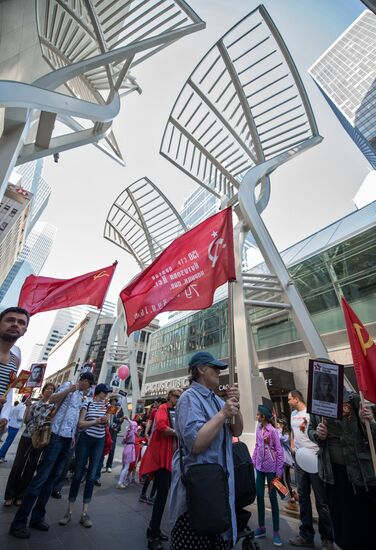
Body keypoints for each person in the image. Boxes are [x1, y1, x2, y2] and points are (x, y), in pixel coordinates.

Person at [169, 351, 243, 550]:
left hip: (219, 492)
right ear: (201, 369)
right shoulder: (188, 399)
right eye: (214, 367)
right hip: (198, 495)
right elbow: (196, 444)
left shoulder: (218, 401)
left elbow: (237, 430)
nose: (219, 372)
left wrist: (236, 405)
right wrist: (223, 414)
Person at [9, 371, 95, 539]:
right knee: (41, 477)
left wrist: (72, 437)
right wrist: (68, 390)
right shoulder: (68, 386)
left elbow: (74, 418)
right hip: (55, 436)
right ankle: (19, 522)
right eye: (88, 384)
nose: (88, 388)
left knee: (53, 479)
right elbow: (52, 399)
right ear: (83, 380)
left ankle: (37, 517)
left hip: (66, 440)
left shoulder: (81, 397)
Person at [308, 390, 376, 550]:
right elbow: (311, 429)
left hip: (360, 474)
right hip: (333, 475)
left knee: (366, 521)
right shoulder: (316, 404)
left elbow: (372, 435)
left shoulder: (354, 399)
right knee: (343, 523)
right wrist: (318, 434)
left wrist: (369, 421)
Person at [59, 383, 110, 528]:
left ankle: (84, 513)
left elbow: (107, 423)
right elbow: (80, 424)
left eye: (106, 394)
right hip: (86, 440)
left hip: (99, 441)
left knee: (92, 477)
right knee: (77, 475)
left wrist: (106, 419)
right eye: (104, 393)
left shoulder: (107, 407)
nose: (105, 396)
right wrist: (95, 421)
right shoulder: (87, 403)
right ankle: (68, 511)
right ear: (98, 393)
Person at [287, 390, 334, 549]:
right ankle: (306, 535)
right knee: (303, 497)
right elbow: (293, 432)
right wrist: (292, 446)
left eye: (289, 399)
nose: (287, 401)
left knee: (321, 501)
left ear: (296, 398)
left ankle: (327, 538)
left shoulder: (311, 413)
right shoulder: (292, 414)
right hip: (299, 460)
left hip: (315, 459)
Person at [140, 388, 183, 549]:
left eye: (180, 397)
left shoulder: (176, 411)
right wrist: (178, 433)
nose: (178, 399)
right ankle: (152, 535)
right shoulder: (163, 409)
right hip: (161, 459)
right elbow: (161, 427)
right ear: (170, 396)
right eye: (176, 396)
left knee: (163, 495)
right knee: (161, 496)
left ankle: (154, 529)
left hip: (171, 459)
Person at [4, 383, 56, 506]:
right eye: (47, 389)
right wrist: (27, 407)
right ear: (43, 391)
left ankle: (20, 495)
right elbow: (26, 421)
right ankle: (9, 495)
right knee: (18, 465)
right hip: (27, 437)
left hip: (39, 440)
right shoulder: (34, 404)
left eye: (52, 390)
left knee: (31, 467)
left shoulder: (53, 407)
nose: (49, 391)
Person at [252, 404, 284, 547]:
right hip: (259, 468)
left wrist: (279, 471)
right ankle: (261, 527)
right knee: (259, 496)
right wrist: (253, 461)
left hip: (271, 470)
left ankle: (276, 532)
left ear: (263, 417)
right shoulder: (258, 429)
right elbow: (257, 446)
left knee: (273, 499)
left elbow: (279, 450)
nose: (257, 416)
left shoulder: (273, 431)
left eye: (258, 414)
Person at [0, 307, 29, 436]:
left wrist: (3, 417)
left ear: (24, 331)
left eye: (21, 322)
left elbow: (7, 393)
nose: (15, 324)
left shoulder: (15, 360)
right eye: (10, 320)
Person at [276, 418, 298, 512]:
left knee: (283, 480)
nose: (277, 424)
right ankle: (291, 495)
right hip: (281, 460)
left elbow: (279, 438)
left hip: (286, 461)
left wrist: (279, 430)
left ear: (283, 425)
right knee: (280, 480)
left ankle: (291, 499)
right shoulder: (280, 432)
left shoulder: (286, 434)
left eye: (279, 423)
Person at [117, 419, 137, 488]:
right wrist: (128, 419)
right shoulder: (132, 432)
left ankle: (121, 481)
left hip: (126, 448)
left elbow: (123, 442)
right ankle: (120, 482)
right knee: (126, 467)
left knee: (123, 467)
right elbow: (132, 425)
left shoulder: (128, 433)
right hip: (130, 448)